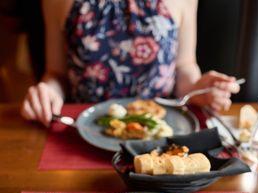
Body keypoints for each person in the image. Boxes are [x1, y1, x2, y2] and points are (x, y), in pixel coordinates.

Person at [21, 0, 240, 127]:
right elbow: (56, 73)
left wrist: (198, 89)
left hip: (162, 133)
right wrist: (48, 93)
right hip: (84, 132)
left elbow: (184, 67)